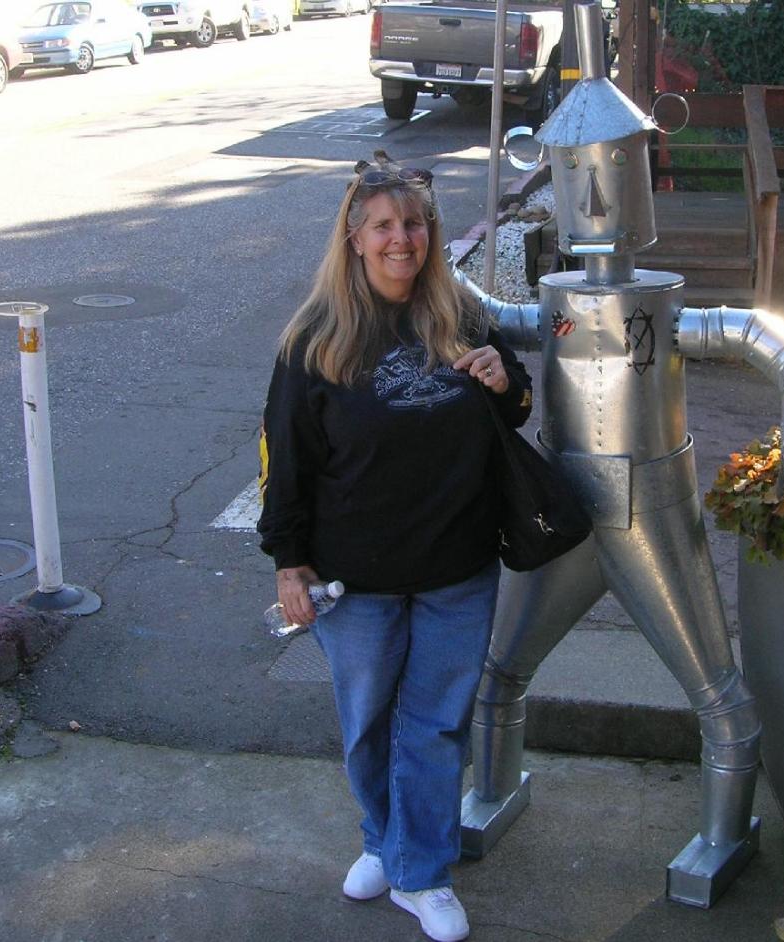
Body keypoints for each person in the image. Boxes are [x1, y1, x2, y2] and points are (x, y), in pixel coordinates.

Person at [257, 151, 533, 942]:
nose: (400, 239)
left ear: (430, 233)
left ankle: (421, 873)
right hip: (355, 576)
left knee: (435, 726)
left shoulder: (459, 317)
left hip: (456, 565)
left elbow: (514, 409)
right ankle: (384, 840)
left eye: (413, 223)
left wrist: (503, 378)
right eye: (382, 226)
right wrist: (288, 561)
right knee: (369, 725)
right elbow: (286, 457)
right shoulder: (314, 339)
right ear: (354, 237)